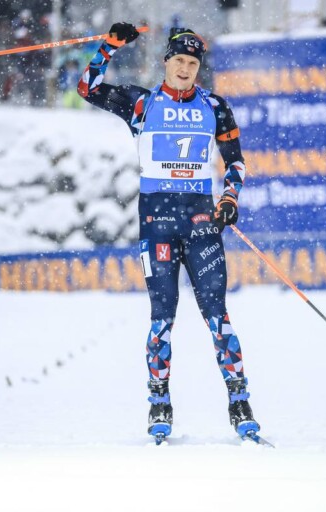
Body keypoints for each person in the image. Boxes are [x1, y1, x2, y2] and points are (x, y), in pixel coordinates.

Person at [77, 22, 259, 441]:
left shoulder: (215, 107)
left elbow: (234, 161)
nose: (184, 69)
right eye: (178, 60)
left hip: (201, 224)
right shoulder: (142, 103)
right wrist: (110, 46)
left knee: (218, 316)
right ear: (166, 62)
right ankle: (159, 403)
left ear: (198, 68)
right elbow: (88, 88)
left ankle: (240, 402)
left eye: (192, 63)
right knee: (162, 318)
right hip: (156, 224)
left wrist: (230, 199)